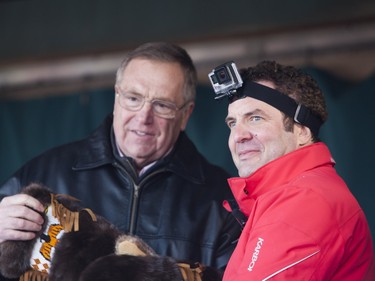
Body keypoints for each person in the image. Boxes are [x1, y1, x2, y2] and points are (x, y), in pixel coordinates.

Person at [0, 42, 241, 280]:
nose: (144, 117)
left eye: (161, 105)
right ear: (117, 97)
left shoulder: (222, 201)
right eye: (133, 98)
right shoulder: (45, 172)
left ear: (185, 114)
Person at [213, 60, 374, 280]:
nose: (238, 136)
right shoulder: (287, 196)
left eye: (255, 118)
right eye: (232, 123)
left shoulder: (305, 200)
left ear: (302, 132)